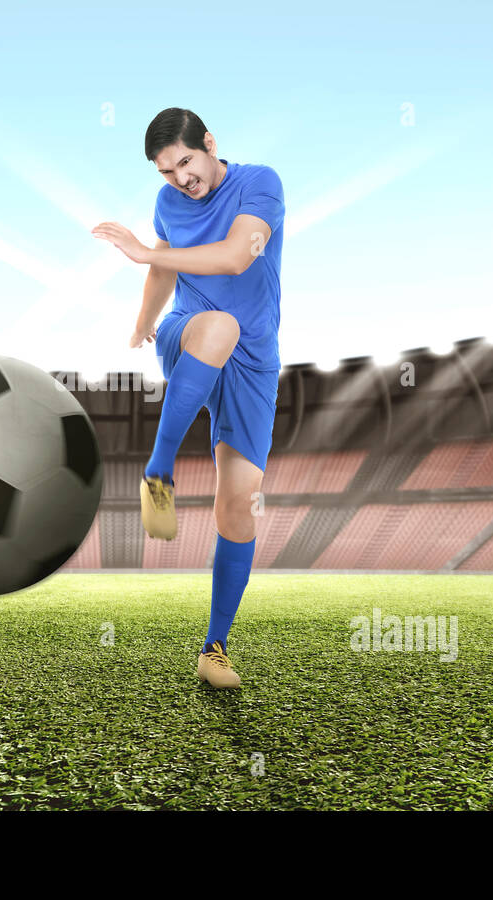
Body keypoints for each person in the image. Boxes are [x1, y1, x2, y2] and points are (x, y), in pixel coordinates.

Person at [91, 107, 285, 689]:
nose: (180, 179)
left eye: (185, 162)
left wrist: (148, 254)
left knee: (240, 503)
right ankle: (158, 471)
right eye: (166, 171)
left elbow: (235, 255)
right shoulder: (169, 205)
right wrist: (141, 324)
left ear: (209, 144)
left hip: (254, 362)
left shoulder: (260, 184)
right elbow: (163, 275)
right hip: (192, 333)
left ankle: (214, 648)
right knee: (219, 323)